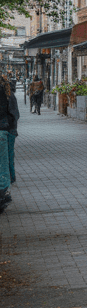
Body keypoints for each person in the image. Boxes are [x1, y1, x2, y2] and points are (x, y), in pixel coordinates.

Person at [0, 76, 16, 211]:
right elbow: (13, 114)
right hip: (3, 131)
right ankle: (4, 192)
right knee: (3, 163)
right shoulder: (6, 94)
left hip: (4, 130)